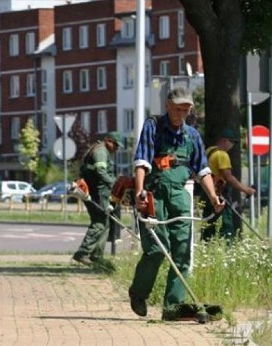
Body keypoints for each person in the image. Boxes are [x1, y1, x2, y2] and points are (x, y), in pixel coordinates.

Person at [128, 86, 224, 320]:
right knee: (156, 248)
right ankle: (138, 292)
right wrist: (140, 192)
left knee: (182, 252)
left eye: (186, 109)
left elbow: (202, 169)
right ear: (168, 106)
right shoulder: (154, 126)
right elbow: (142, 161)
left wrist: (213, 197)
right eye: (177, 108)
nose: (181, 113)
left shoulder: (192, 135)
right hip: (154, 192)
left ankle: (172, 307)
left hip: (180, 195)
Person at [72, 131, 124, 267]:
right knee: (100, 221)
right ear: (108, 141)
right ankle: (82, 253)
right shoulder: (101, 152)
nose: (117, 149)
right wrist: (115, 184)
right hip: (97, 192)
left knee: (105, 222)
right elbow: (101, 173)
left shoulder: (99, 149)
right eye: (116, 145)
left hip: (97, 191)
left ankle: (96, 256)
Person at [201, 128, 255, 241]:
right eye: (232, 142)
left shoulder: (209, 151)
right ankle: (226, 248)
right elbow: (229, 177)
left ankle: (207, 245)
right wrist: (246, 190)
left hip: (207, 192)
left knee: (209, 224)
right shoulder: (222, 155)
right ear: (225, 140)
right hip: (219, 194)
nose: (232, 145)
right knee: (225, 225)